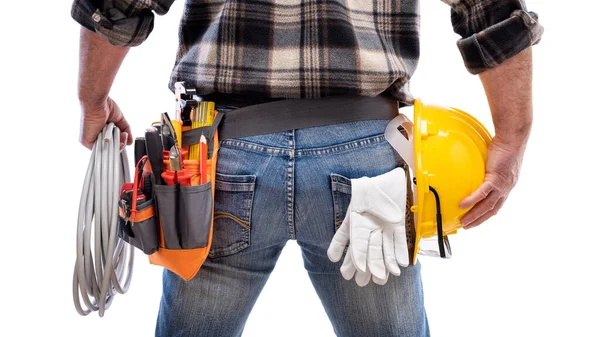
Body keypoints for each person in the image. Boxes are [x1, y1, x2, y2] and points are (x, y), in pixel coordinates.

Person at [71, 0, 543, 336]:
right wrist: (512, 137)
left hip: (223, 161)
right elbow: (490, 7)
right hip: (367, 164)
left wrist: (93, 100)